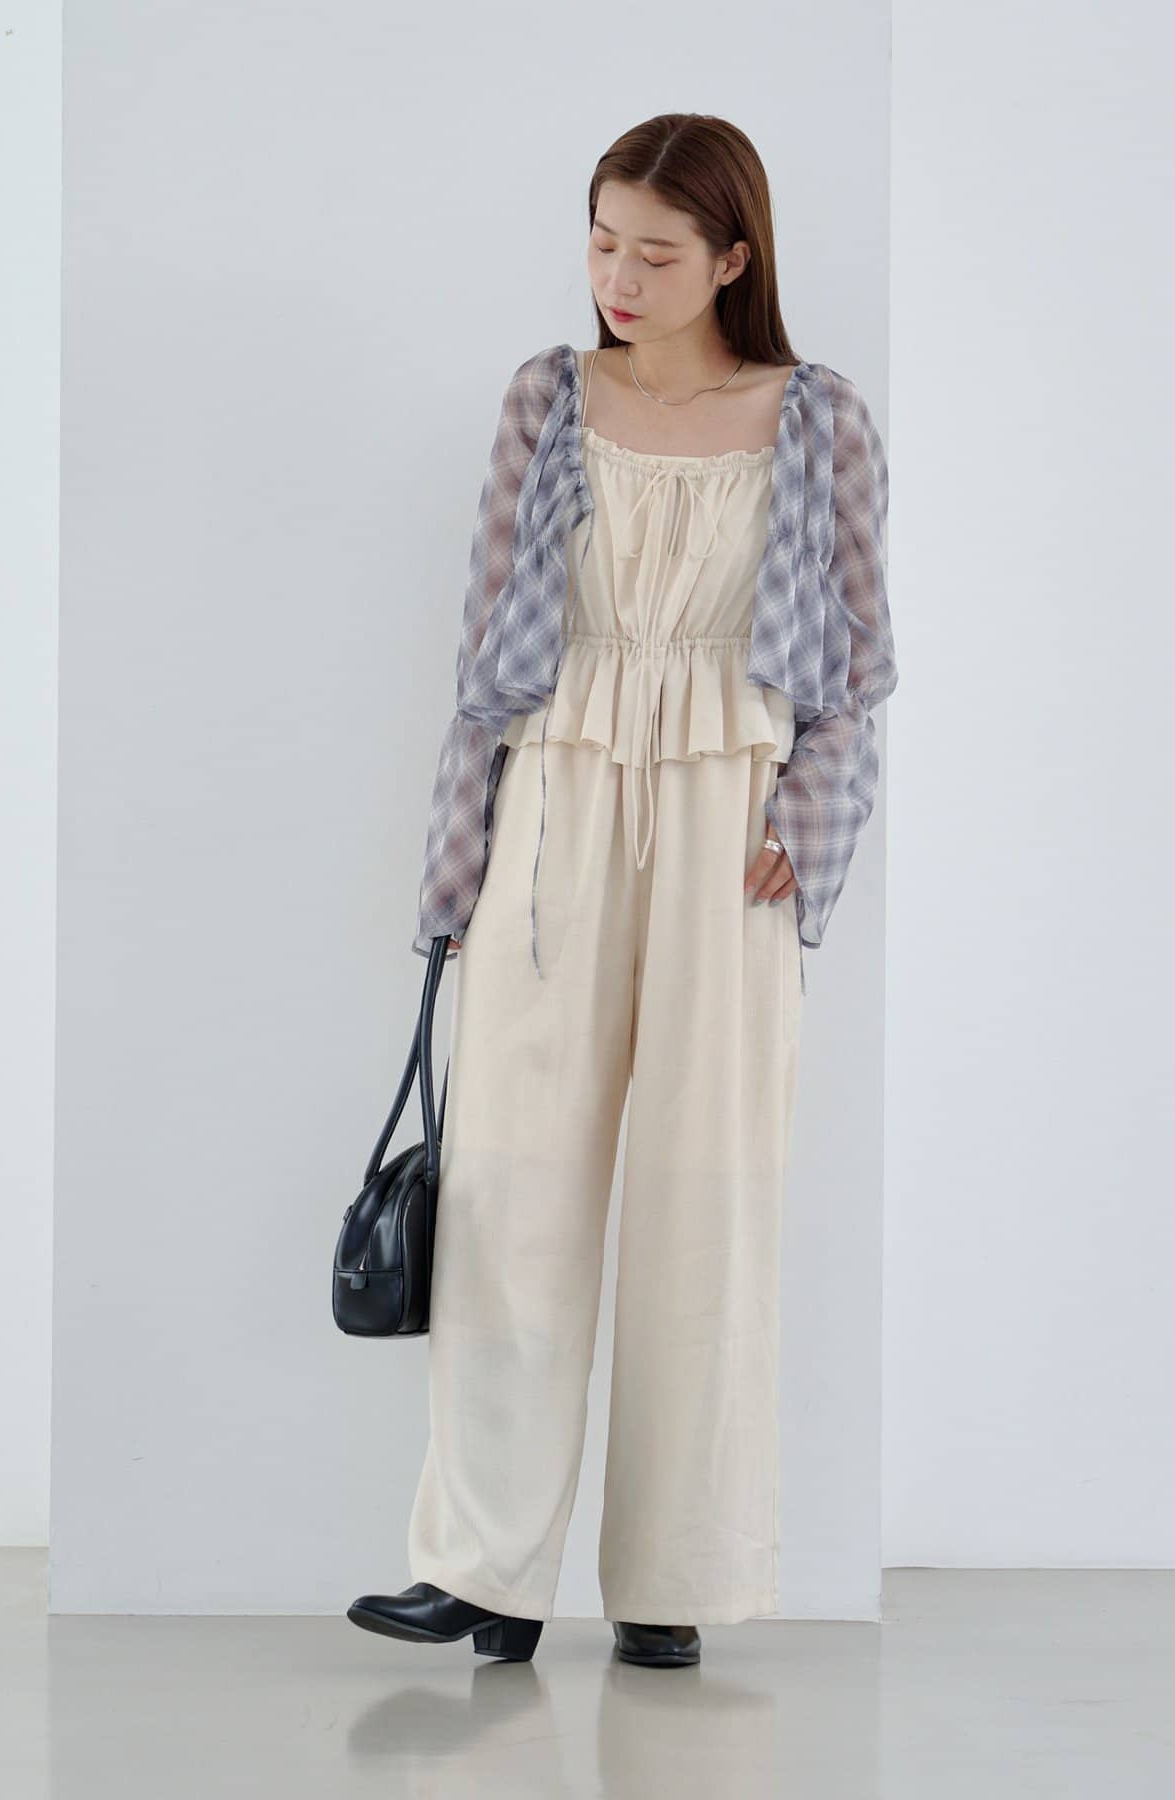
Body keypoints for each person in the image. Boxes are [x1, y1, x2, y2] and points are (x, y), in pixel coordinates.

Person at [348, 112, 897, 1668]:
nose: (620, 277)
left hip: (737, 818)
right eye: (602, 243)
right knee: (510, 1185)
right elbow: (484, 657)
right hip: (558, 796)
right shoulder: (549, 398)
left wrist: (816, 823)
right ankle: (484, 1571)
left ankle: (675, 1575)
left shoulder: (820, 420)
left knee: (706, 1190)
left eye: (657, 252)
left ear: (733, 259)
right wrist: (456, 871)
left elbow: (861, 664)